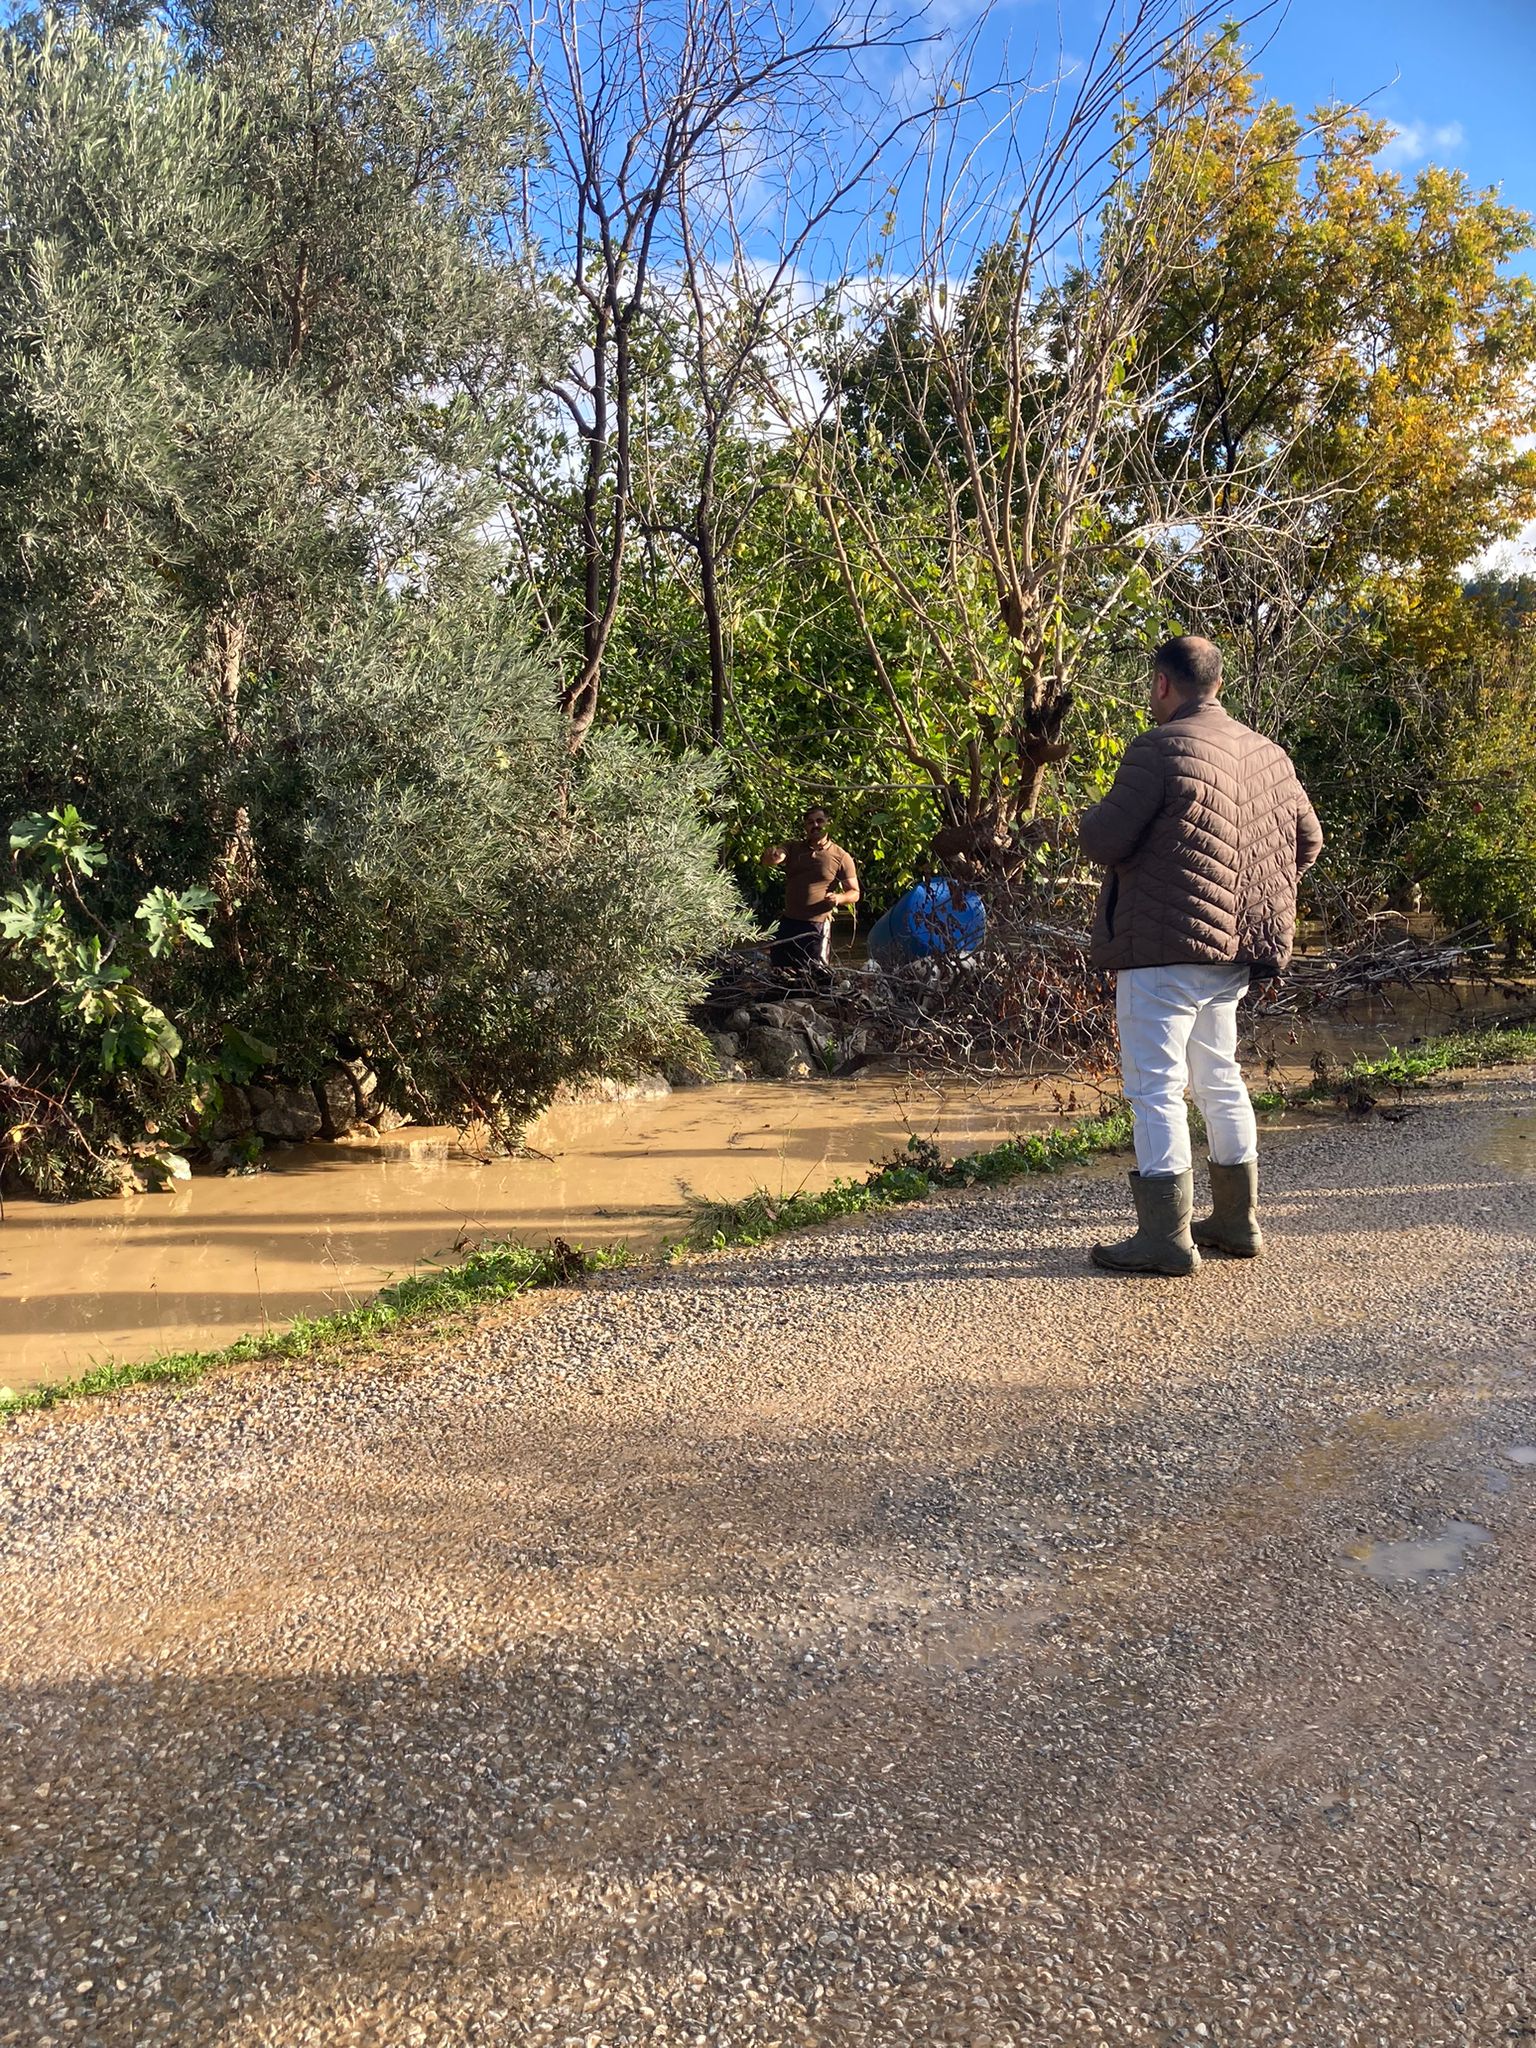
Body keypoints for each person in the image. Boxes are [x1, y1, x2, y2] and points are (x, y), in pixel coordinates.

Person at [1077, 635, 1323, 1276]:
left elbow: (1103, 840)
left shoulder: (1157, 748)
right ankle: (1237, 1222)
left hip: (1163, 950)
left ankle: (1165, 1239)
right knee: (1220, 1076)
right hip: (1238, 949)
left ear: (1163, 684)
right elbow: (1309, 841)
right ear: (1216, 682)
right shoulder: (1270, 754)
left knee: (1156, 1088)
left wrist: (1076, 819)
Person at [761, 806, 860, 975]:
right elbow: (775, 858)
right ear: (805, 827)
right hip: (789, 922)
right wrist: (772, 857)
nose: (815, 825)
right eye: (810, 822)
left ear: (828, 824)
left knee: (814, 973)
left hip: (817, 924)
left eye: (820, 821)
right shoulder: (793, 848)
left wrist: (839, 898)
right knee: (779, 970)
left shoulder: (841, 856)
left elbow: (855, 893)